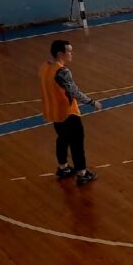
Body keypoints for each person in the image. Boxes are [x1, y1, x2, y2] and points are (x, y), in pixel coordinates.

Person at [38, 40, 102, 185]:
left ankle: (63, 168)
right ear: (60, 54)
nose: (71, 54)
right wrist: (93, 102)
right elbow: (75, 92)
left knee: (62, 139)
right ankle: (82, 173)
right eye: (69, 51)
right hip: (68, 113)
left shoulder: (45, 67)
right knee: (77, 144)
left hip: (54, 112)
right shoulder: (63, 72)